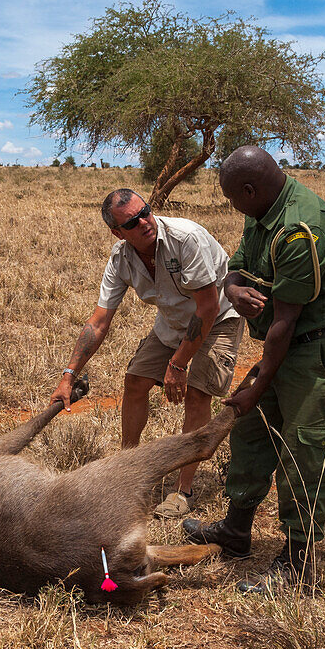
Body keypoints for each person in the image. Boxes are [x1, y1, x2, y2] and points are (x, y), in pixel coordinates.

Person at [183, 146, 325, 594]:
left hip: (319, 347)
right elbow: (238, 265)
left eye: (233, 199)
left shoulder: (300, 230)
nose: (233, 208)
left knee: (308, 450)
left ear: (249, 189)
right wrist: (233, 288)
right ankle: (236, 531)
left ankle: (297, 564)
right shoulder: (262, 209)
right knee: (252, 431)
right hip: (286, 343)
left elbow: (284, 321)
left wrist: (257, 382)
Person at [50, 188, 243, 518]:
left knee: (198, 395)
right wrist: (68, 375)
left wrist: (178, 364)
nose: (144, 222)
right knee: (135, 381)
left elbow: (207, 307)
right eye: (132, 222)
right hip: (173, 322)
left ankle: (183, 490)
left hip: (217, 318)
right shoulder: (120, 258)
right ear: (117, 232)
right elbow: (99, 321)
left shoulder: (186, 238)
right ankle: (128, 472)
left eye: (146, 212)